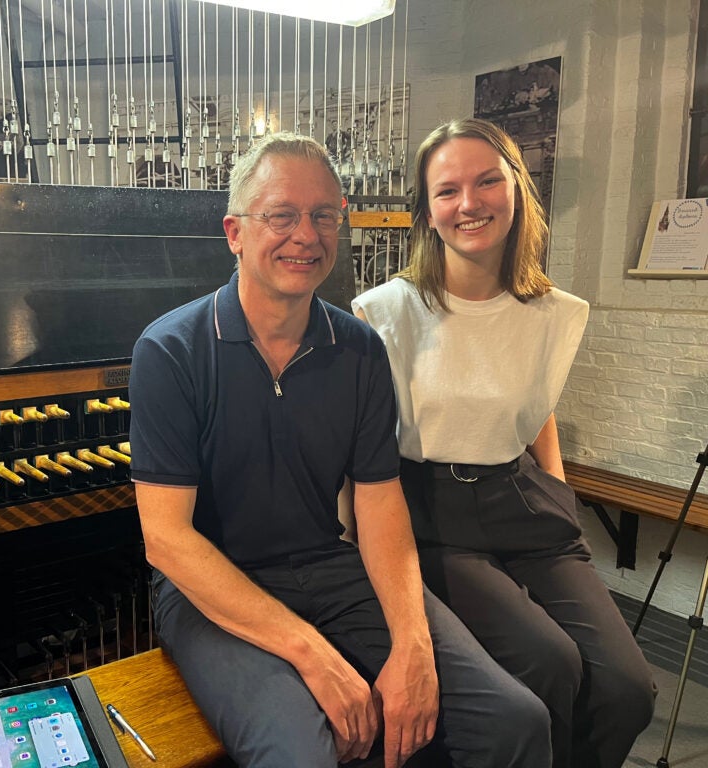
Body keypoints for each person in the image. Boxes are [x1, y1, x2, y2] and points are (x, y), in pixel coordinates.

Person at [129, 131, 553, 768]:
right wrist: (310, 651)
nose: (306, 234)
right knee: (302, 753)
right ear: (235, 233)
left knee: (513, 719)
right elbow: (166, 539)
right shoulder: (170, 350)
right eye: (281, 215)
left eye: (324, 216)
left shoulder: (358, 349)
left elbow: (380, 505)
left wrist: (411, 646)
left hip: (331, 567)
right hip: (211, 588)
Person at [351, 117, 656, 768]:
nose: (470, 202)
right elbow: (363, 456)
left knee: (631, 690)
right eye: (447, 189)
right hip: (434, 512)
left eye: (488, 180)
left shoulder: (555, 313)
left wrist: (560, 498)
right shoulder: (384, 313)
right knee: (551, 665)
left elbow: (534, 408)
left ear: (517, 190)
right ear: (427, 212)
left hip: (526, 503)